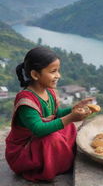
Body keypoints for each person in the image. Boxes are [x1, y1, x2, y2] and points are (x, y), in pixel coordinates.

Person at [5, 46, 93, 182]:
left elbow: (56, 114)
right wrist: (71, 117)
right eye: (53, 71)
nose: (58, 75)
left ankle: (63, 159)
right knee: (53, 137)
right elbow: (39, 130)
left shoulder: (49, 91)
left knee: (67, 127)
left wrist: (73, 109)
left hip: (38, 141)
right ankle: (55, 166)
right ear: (35, 75)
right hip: (24, 151)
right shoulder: (26, 101)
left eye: (58, 71)